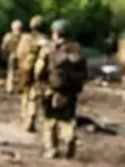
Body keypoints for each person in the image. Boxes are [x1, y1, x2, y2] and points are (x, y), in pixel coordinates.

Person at [33, 20, 87, 159]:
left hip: (51, 89)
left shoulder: (49, 48)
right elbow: (84, 71)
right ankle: (69, 139)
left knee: (49, 119)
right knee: (68, 119)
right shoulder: (77, 49)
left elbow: (39, 70)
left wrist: (40, 83)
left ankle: (52, 149)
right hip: (70, 91)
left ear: (56, 32)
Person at [13, 15, 47, 131]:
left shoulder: (25, 38)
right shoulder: (44, 40)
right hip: (39, 70)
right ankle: (31, 118)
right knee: (34, 96)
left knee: (25, 94)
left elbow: (19, 53)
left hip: (25, 69)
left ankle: (25, 117)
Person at [0, 20, 23, 94]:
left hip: (12, 55)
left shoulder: (8, 36)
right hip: (20, 56)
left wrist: (4, 55)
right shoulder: (23, 36)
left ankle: (10, 88)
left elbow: (4, 47)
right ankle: (20, 87)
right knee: (20, 72)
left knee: (11, 72)